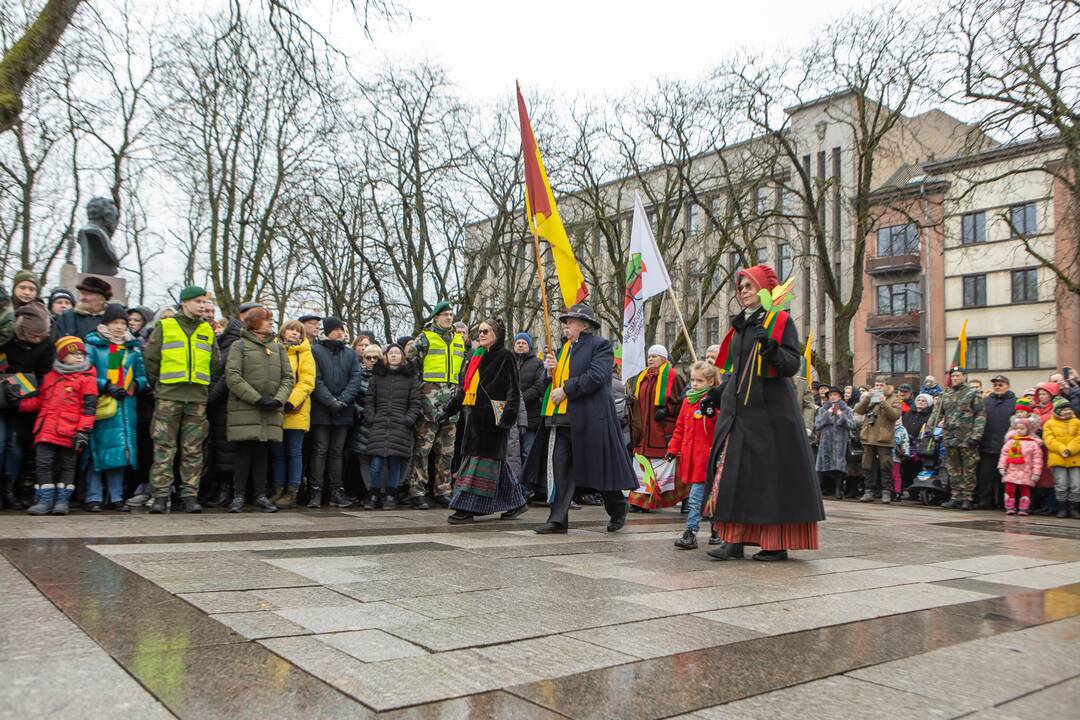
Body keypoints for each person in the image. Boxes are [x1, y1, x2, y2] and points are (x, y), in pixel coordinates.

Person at [701, 265, 824, 561]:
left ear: (765, 290)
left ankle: (775, 543)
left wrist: (771, 349)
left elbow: (792, 365)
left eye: (749, 286)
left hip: (771, 416)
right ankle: (733, 540)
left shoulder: (780, 321)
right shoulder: (740, 326)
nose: (743, 291)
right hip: (739, 413)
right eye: (740, 286)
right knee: (731, 474)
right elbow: (735, 370)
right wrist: (716, 394)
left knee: (770, 481)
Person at [532, 303, 635, 534]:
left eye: (571, 321)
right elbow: (547, 384)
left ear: (585, 325)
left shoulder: (601, 346)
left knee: (598, 468)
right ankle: (557, 519)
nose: (566, 326)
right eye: (566, 322)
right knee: (560, 469)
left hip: (590, 418)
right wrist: (548, 373)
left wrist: (567, 389)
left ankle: (618, 507)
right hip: (560, 419)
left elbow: (596, 377)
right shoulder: (563, 349)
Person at [438, 319, 528, 524]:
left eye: (486, 331)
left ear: (497, 334)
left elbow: (514, 391)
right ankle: (517, 503)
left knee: (479, 466)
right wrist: (448, 409)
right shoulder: (476, 357)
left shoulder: (506, 357)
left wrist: (507, 420)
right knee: (496, 465)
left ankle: (466, 508)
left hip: (493, 422)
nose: (481, 334)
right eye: (479, 331)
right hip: (474, 421)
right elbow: (465, 389)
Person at [143, 285, 222, 514]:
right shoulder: (165, 326)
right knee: (164, 447)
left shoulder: (207, 331)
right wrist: (161, 384)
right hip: (169, 396)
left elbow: (215, 363)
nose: (203, 305)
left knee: (193, 449)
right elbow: (151, 359)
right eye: (198, 301)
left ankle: (189, 495)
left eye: (205, 302)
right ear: (185, 302)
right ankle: (160, 495)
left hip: (196, 398)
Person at [18, 336, 98, 515]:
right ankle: (45, 500)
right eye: (74, 353)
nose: (79, 356)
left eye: (81, 353)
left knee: (67, 466)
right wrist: (19, 403)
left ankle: (62, 501)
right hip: (46, 429)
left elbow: (89, 409)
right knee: (43, 464)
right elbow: (41, 401)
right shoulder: (50, 377)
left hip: (70, 431)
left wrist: (83, 431)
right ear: (62, 356)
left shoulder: (87, 379)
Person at [224, 307, 292, 513]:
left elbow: (288, 377)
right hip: (246, 408)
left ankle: (260, 495)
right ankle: (238, 496)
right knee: (244, 452)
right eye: (267, 319)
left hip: (270, 409)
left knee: (263, 452)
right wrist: (257, 399)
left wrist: (278, 399)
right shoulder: (240, 345)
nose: (271, 323)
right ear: (254, 322)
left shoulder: (278, 347)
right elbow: (233, 376)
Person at [83, 304, 148, 511]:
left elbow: (142, 375)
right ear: (106, 323)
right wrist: (106, 385)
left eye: (123, 323)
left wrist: (136, 384)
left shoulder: (132, 347)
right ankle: (93, 496)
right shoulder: (93, 345)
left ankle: (116, 496)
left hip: (125, 407)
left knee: (120, 452)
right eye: (115, 323)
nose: (119, 327)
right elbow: (86, 373)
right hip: (102, 404)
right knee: (97, 452)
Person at [406, 301, 464, 508]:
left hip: (452, 404)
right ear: (436, 317)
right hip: (429, 404)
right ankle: (417, 491)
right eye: (445, 314)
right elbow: (411, 368)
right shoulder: (424, 339)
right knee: (423, 449)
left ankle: (443, 490)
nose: (449, 317)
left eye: (451, 314)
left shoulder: (459, 340)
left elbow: (461, 372)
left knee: (446, 452)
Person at [0, 303, 54, 509]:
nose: (38, 339)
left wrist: (19, 390)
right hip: (2, 395)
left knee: (15, 447)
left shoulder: (47, 344)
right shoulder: (6, 339)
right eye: (34, 335)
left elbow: (43, 376)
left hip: (24, 401)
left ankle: (10, 488)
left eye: (41, 335)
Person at [309, 316, 361, 508]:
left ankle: (336, 491)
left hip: (343, 411)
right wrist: (330, 401)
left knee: (337, 452)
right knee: (320, 451)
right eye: (337, 329)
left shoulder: (350, 354)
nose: (341, 332)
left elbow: (355, 379)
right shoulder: (315, 351)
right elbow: (315, 379)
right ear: (328, 330)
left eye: (343, 329)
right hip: (322, 410)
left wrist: (343, 400)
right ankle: (316, 491)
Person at [669, 361, 721, 549]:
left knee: (697, 497)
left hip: (706, 458)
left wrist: (713, 414)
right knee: (707, 496)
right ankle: (716, 529)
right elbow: (680, 428)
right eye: (692, 380)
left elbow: (720, 427)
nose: (694, 384)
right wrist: (673, 449)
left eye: (699, 380)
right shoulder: (688, 400)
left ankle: (691, 532)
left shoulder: (714, 400)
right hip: (690, 457)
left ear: (710, 382)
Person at [628, 345, 686, 511]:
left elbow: (682, 403)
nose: (651, 359)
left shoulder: (673, 377)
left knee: (664, 467)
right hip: (643, 433)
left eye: (655, 356)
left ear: (664, 358)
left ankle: (663, 499)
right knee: (642, 465)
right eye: (649, 356)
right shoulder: (642, 377)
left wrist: (667, 410)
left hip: (661, 431)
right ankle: (640, 501)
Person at [362, 343, 419, 510]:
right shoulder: (377, 377)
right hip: (379, 424)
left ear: (403, 357)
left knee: (395, 462)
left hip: (400, 425)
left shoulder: (411, 378)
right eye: (390, 353)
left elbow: (415, 403)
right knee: (376, 462)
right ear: (385, 357)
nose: (394, 355)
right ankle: (374, 494)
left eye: (397, 353)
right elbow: (369, 400)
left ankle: (391, 495)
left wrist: (408, 420)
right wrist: (371, 418)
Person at [270, 319, 315, 509]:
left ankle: (292, 491)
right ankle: (278, 489)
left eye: (299, 331)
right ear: (283, 332)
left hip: (296, 408)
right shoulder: (272, 349)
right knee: (278, 452)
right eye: (291, 330)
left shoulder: (305, 353)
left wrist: (290, 401)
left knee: (294, 451)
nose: (295, 333)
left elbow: (307, 381)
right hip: (275, 407)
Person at [939, 367, 986, 511]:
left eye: (958, 376)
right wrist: (936, 426)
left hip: (967, 438)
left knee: (969, 469)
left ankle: (967, 498)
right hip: (950, 437)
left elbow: (980, 415)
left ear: (964, 377)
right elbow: (939, 414)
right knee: (953, 469)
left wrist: (976, 435)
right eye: (953, 376)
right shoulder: (946, 395)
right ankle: (956, 497)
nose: (954, 378)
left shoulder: (973, 394)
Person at [853, 377, 902, 503]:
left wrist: (884, 402)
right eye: (876, 385)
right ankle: (869, 491)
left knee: (885, 465)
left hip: (883, 437)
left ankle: (886, 492)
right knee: (867, 464)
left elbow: (895, 415)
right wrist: (867, 398)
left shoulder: (894, 399)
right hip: (868, 436)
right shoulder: (871, 397)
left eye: (881, 385)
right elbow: (858, 410)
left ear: (887, 386)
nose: (878, 387)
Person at [976, 374, 1016, 509]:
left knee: (1005, 477)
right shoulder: (986, 401)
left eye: (1000, 385)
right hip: (987, 445)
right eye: (995, 385)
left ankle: (1004, 502)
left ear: (1008, 386)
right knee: (985, 476)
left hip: (1007, 447)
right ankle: (985, 500)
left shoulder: (1015, 402)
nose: (997, 387)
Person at [351, 343, 381, 505]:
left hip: (381, 422)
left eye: (376, 357)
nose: (372, 360)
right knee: (364, 459)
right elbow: (352, 396)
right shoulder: (357, 376)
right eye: (368, 357)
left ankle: (379, 491)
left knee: (379, 459)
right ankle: (370, 491)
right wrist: (361, 411)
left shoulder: (386, 376)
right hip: (362, 421)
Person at [997, 415, 1043, 517]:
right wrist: (1002, 467)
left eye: (1022, 428)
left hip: (1026, 471)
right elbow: (1004, 455)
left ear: (1028, 429)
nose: (1019, 430)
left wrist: (1036, 473)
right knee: (1009, 489)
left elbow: (1037, 460)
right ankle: (1009, 506)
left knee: (1025, 490)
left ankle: (1024, 508)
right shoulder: (1011, 442)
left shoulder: (1033, 444)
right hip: (1012, 470)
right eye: (1017, 428)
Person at [815, 386, 856, 501]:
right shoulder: (823, 409)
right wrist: (826, 415)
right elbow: (817, 425)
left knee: (839, 466)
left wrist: (841, 416)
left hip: (840, 442)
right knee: (821, 466)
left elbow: (852, 425)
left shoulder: (846, 409)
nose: (833, 397)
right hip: (826, 442)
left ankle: (838, 491)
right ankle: (817, 491)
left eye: (835, 395)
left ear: (840, 396)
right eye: (831, 395)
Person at [1043, 397, 1080, 519]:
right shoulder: (1049, 424)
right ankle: (1062, 508)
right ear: (1057, 411)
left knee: (1076, 484)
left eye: (1069, 409)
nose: (1067, 411)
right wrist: (1061, 449)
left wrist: (1069, 449)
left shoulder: (1077, 422)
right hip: (1058, 459)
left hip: (1075, 458)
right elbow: (1049, 440)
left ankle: (1074, 508)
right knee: (1061, 484)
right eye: (1064, 409)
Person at [513, 332, 545, 469]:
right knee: (512, 455)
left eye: (523, 343)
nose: (520, 345)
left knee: (528, 452)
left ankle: (528, 487)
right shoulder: (508, 361)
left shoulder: (537, 363)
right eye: (518, 343)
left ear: (529, 346)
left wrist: (519, 401)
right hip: (511, 417)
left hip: (531, 417)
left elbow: (539, 386)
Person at [901, 393, 935, 496]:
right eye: (918, 400)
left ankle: (917, 491)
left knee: (918, 467)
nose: (920, 402)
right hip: (907, 444)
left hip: (921, 445)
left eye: (923, 401)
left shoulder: (930, 415)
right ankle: (911, 491)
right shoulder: (908, 413)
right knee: (906, 467)